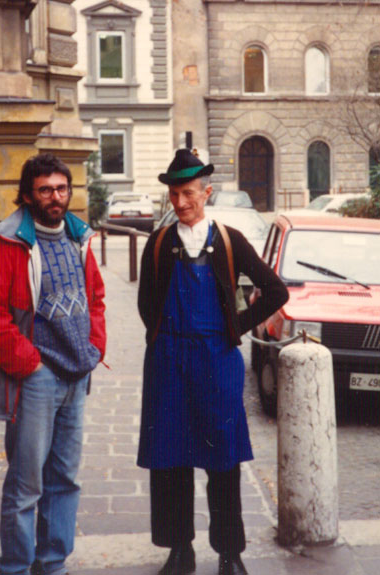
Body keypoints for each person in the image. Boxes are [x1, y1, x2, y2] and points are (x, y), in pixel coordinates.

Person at [137, 149, 288, 575]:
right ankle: (179, 551)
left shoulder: (228, 240)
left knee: (223, 460)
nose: (180, 203)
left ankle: (229, 554)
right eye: (173, 194)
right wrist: (164, 337)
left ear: (206, 192)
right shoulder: (159, 243)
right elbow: (146, 302)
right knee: (170, 460)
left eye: (188, 193)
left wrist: (234, 327)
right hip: (168, 363)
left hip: (216, 363)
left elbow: (276, 292)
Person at [0, 153, 106, 575]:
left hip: (76, 375)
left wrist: (94, 346)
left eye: (61, 188)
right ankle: (15, 567)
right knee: (27, 484)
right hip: (36, 378)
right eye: (45, 189)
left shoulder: (78, 237)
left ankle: (53, 564)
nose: (55, 197)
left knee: (66, 480)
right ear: (28, 195)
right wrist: (28, 364)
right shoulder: (7, 242)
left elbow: (96, 298)